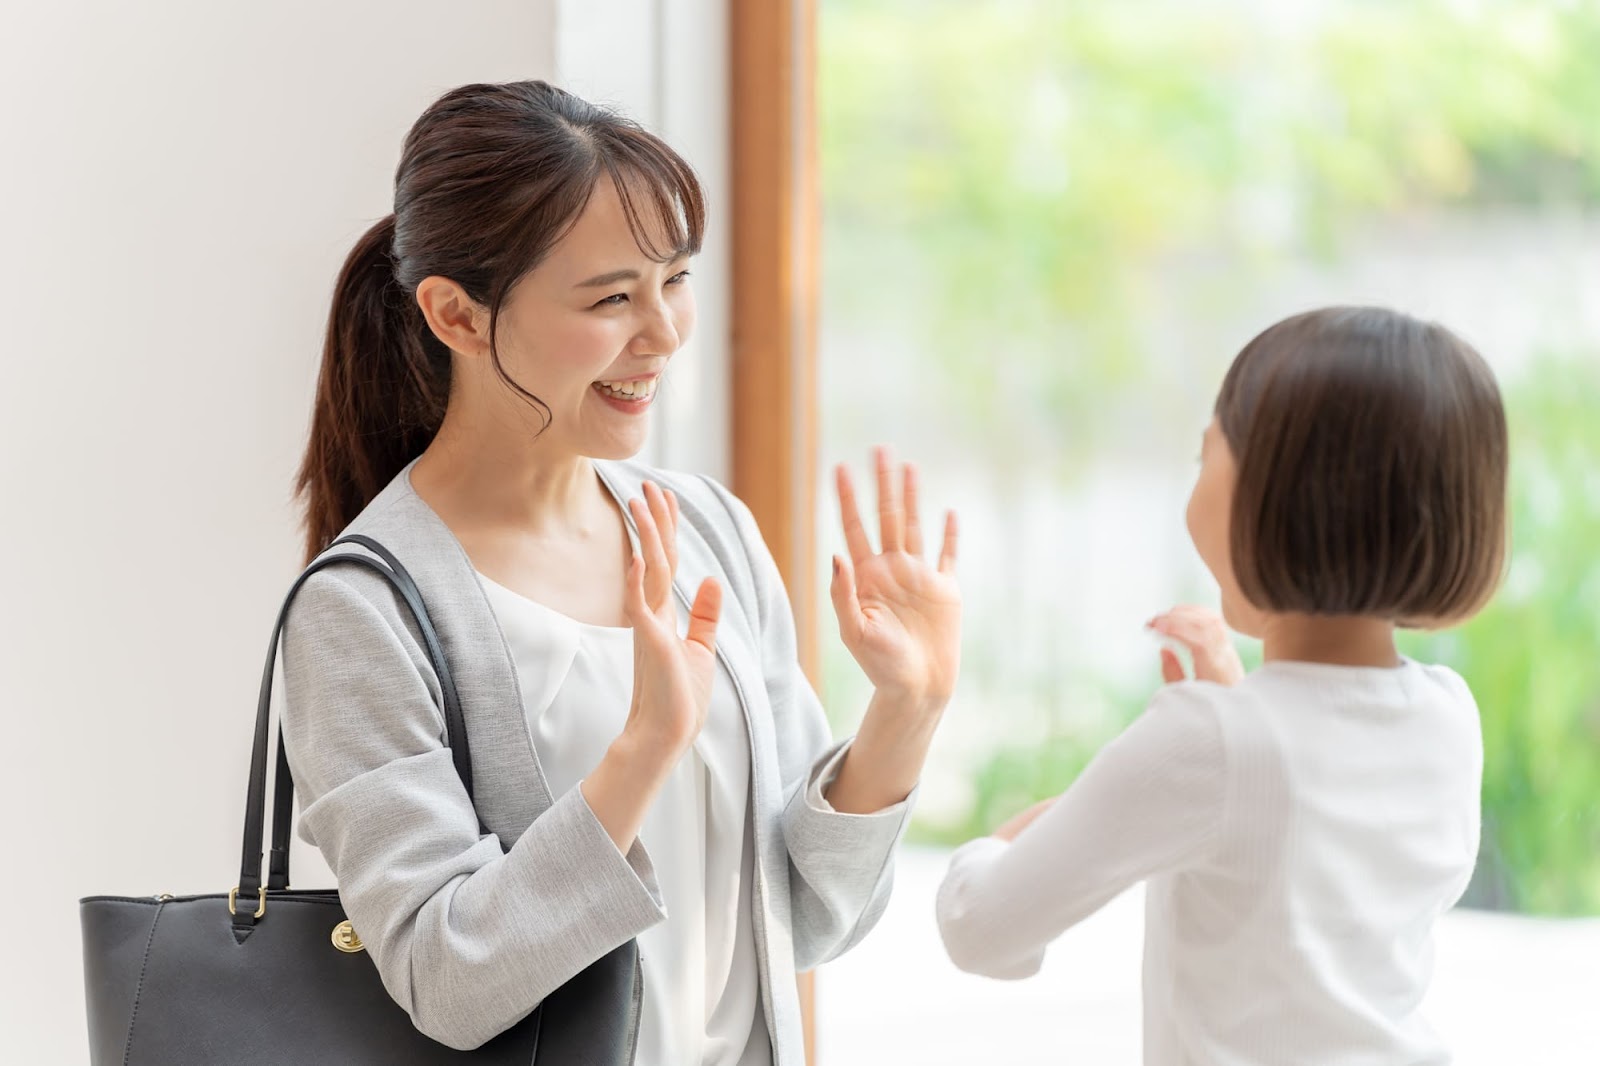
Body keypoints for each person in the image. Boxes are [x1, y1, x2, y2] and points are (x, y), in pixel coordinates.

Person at [280, 80, 962, 1063]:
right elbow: (446, 978)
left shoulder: (706, 529)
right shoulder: (364, 608)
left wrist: (905, 708)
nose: (664, 331)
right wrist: (642, 748)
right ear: (456, 316)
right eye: (610, 297)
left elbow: (808, 921)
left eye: (673, 279)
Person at [937, 307, 1507, 1064]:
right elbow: (1305, 869)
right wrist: (1239, 705)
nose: (1195, 482)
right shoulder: (1446, 718)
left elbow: (984, 928)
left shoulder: (1210, 740)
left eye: (1206, 456)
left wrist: (996, 844)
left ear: (1274, 500)